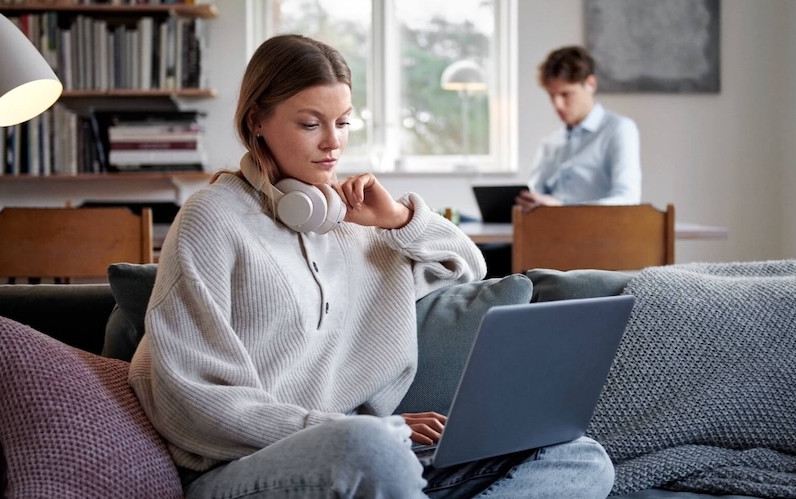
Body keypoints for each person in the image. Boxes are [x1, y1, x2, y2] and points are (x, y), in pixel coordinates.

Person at [128, 34, 615, 499]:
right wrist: (359, 430)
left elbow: (469, 268)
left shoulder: (358, 224)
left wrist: (399, 219)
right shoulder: (211, 218)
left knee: (578, 455)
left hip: (379, 458)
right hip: (247, 469)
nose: (332, 144)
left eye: (342, 122)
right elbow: (190, 401)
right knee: (372, 449)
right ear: (257, 120)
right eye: (310, 123)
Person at [516, 45, 642, 213]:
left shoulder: (619, 130)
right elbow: (534, 193)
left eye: (565, 94)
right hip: (547, 232)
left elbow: (628, 199)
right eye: (552, 96)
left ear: (590, 84)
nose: (557, 105)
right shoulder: (551, 141)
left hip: (596, 234)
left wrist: (563, 210)